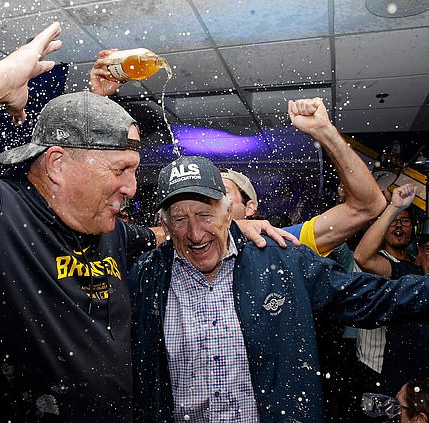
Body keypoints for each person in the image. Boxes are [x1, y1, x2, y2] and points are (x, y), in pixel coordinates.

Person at [0, 23, 293, 421]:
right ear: (58, 165)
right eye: (121, 170)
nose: (132, 189)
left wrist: (233, 226)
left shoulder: (113, 232)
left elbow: (171, 234)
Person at [129, 155, 429, 422]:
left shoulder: (280, 259)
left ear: (226, 211)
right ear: (165, 224)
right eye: (180, 219)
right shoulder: (147, 278)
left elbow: (371, 297)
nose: (195, 233)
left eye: (205, 214)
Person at [221, 100, 386, 257]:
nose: (212, 199)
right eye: (202, 195)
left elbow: (367, 206)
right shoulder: (195, 246)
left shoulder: (276, 242)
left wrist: (325, 132)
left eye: (223, 191)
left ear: (249, 208)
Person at [353, 183, 429, 401]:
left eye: (404, 221)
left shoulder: (412, 270)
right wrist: (393, 208)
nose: (399, 226)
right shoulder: (400, 273)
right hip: (395, 379)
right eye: (394, 222)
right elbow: (363, 257)